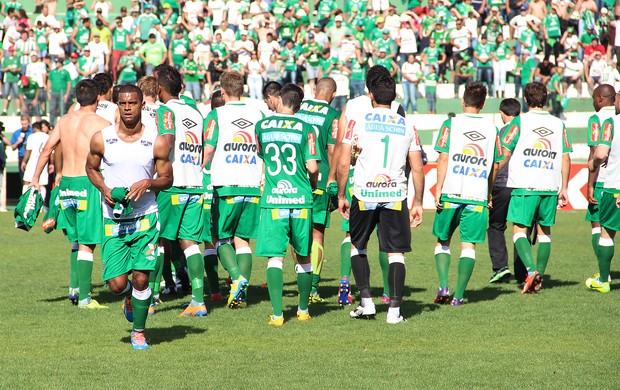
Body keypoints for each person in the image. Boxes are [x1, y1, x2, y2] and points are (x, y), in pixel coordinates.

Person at [85, 85, 172, 350]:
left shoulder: (156, 140)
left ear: (140, 105)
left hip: (145, 217)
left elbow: (168, 178)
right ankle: (128, 298)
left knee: (142, 279)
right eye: (122, 104)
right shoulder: (102, 138)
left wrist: (148, 182)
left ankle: (139, 332)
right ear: (116, 105)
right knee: (116, 285)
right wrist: (104, 189)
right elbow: (91, 167)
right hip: (113, 219)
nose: (127, 108)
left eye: (132, 103)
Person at [336, 73, 424, 324]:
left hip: (364, 193)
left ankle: (366, 304)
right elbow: (416, 167)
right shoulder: (408, 125)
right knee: (396, 253)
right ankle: (394, 312)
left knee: (357, 245)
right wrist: (417, 202)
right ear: (395, 96)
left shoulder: (358, 122)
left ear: (370, 96)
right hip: (395, 194)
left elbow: (344, 163)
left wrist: (342, 194)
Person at [30, 78, 112, 308]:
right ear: (98, 97)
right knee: (88, 243)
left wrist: (36, 179)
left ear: (76, 98)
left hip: (66, 183)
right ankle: (85, 298)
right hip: (88, 182)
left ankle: (74, 289)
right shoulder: (102, 123)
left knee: (76, 239)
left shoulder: (64, 121)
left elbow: (47, 150)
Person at [331, 65, 406, 307]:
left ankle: (348, 282)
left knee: (353, 236)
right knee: (389, 241)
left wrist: (335, 179)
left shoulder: (352, 105)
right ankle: (387, 290)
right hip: (389, 180)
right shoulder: (396, 107)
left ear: (367, 87)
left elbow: (342, 144)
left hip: (356, 177)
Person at [255, 83, 320, 326]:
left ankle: (278, 315)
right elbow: (313, 167)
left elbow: (262, 154)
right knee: (303, 256)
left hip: (273, 200)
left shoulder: (262, 125)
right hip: (301, 197)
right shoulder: (306, 128)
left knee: (275, 258)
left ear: (280, 100)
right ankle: (303, 310)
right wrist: (311, 184)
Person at [432, 82, 503, 305]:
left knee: (443, 240)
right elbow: (495, 165)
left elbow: (443, 157)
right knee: (468, 245)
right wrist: (489, 192)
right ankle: (459, 296)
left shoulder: (450, 124)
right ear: (482, 104)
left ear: (462, 101)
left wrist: (439, 188)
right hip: (477, 196)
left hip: (451, 193)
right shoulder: (493, 129)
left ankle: (443, 285)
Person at [499, 82, 572, 294]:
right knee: (545, 233)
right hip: (550, 185)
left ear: (525, 99)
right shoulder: (558, 124)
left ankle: (531, 272)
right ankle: (538, 276)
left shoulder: (519, 122)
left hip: (525, 184)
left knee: (518, 232)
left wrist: (491, 173)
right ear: (546, 99)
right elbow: (565, 156)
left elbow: (504, 152)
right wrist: (564, 187)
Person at [203, 71, 265, 309]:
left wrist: (198, 168)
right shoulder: (257, 114)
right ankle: (241, 293)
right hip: (251, 183)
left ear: (221, 91)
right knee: (243, 240)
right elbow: (260, 148)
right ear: (243, 89)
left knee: (220, 237)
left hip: (225, 183)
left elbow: (208, 148)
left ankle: (236, 278)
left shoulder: (216, 114)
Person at [155, 65, 206, 316]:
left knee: (156, 241)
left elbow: (167, 140)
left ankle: (151, 298)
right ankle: (198, 300)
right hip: (195, 184)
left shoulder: (165, 110)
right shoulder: (195, 112)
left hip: (171, 184)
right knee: (190, 243)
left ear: (159, 88)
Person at [294, 77, 340, 302]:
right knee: (317, 234)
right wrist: (333, 178)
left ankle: (301, 278)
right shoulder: (332, 116)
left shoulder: (299, 108)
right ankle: (312, 287)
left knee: (297, 234)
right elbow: (332, 149)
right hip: (319, 178)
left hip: (296, 177)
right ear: (333, 95)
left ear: (314, 90)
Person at [487, 98, 527, 284]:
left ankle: (501, 268)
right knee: (520, 228)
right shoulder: (527, 130)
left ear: (502, 114)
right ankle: (523, 272)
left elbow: (497, 160)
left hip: (501, 184)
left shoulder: (502, 131)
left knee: (496, 226)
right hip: (521, 184)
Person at [586, 90, 620, 293]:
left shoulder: (611, 123)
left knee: (606, 233)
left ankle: (604, 281)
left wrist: (593, 163)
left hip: (614, 186)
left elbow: (600, 153)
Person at [21, 121, 50, 199]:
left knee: (27, 181)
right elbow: (52, 152)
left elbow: (28, 151)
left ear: (34, 128)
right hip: (44, 162)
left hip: (32, 162)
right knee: (42, 183)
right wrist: (52, 163)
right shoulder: (47, 137)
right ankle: (41, 205)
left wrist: (24, 161)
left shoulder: (31, 136)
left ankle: (25, 201)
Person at [9, 115, 33, 184]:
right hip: (22, 157)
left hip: (32, 157)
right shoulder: (17, 133)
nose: (24, 126)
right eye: (22, 124)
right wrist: (18, 142)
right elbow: (12, 147)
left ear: (29, 122)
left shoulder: (32, 131)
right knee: (23, 179)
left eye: (25, 124)